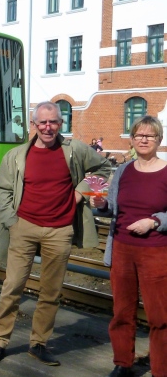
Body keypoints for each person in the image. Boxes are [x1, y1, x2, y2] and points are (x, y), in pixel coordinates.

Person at [0, 101, 111, 367]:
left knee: (51, 291)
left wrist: (80, 193)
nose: (48, 127)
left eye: (53, 122)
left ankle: (39, 343)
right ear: (34, 124)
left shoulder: (75, 150)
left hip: (60, 230)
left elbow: (104, 168)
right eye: (43, 122)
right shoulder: (17, 155)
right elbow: (2, 189)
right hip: (23, 227)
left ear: (61, 124)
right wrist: (11, 221)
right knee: (12, 286)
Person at [91, 116, 167, 377]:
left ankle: (161, 369)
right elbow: (113, 208)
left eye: (150, 135)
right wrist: (102, 205)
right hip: (122, 249)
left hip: (156, 252)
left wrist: (154, 221)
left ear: (159, 140)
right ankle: (123, 363)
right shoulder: (123, 171)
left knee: (160, 316)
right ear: (132, 140)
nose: (144, 140)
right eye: (138, 135)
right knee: (122, 312)